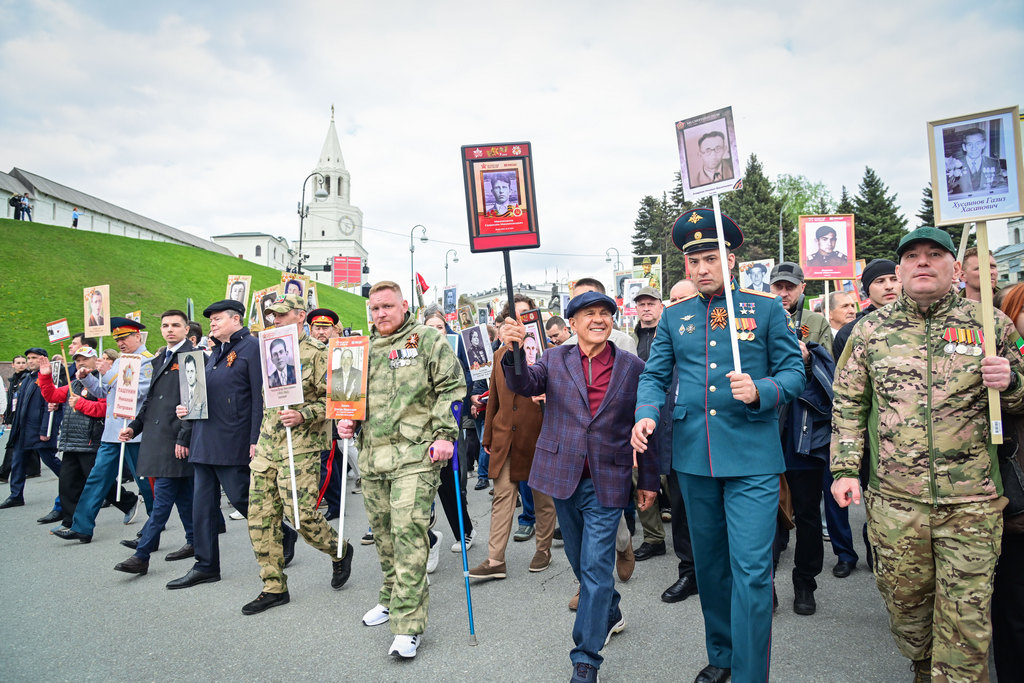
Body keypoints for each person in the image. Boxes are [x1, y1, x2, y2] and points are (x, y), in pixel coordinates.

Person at [831, 226, 1024, 681]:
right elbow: (848, 403)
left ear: (954, 268)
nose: (922, 261)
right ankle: (924, 668)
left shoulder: (991, 323)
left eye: (934, 254)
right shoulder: (870, 331)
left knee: (965, 628)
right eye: (912, 255)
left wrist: (1010, 382)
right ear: (898, 271)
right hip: (896, 504)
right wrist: (844, 469)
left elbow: (1020, 396)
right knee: (909, 615)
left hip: (972, 505)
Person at [632, 208, 805, 683]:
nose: (702, 269)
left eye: (711, 258)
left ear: (731, 259)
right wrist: (646, 413)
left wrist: (764, 390)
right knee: (710, 569)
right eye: (694, 261)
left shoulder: (765, 309)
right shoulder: (675, 317)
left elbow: (795, 372)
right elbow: (655, 375)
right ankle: (723, 656)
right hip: (693, 458)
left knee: (750, 571)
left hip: (751, 458)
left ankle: (751, 674)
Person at [501, 289, 658, 683]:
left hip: (609, 478)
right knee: (578, 560)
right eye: (588, 314)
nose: (598, 319)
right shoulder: (554, 359)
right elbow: (522, 382)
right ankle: (610, 609)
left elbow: (651, 423)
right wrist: (513, 350)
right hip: (561, 474)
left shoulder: (633, 366)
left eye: (605, 312)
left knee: (595, 566)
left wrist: (650, 479)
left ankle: (585, 659)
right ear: (572, 323)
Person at [338, 281, 465, 659]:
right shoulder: (361, 349)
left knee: (409, 533)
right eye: (375, 308)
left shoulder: (426, 339)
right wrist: (347, 422)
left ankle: (408, 626)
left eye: (388, 306)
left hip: (416, 455)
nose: (381, 314)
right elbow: (350, 397)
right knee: (384, 534)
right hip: (372, 458)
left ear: (403, 305)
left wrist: (445, 434)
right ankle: (391, 597)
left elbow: (453, 387)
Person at [167, 300, 290, 589]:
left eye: (218, 319)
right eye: (211, 320)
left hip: (233, 439)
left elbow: (261, 398)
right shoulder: (213, 353)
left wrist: (255, 439)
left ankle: (283, 533)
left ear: (236, 320)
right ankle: (206, 565)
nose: (212, 323)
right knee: (203, 507)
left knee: (242, 499)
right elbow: (202, 393)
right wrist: (187, 410)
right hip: (204, 439)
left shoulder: (252, 347)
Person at [241, 294, 352, 615]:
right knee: (260, 519)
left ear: (300, 316)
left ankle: (339, 549)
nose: (275, 320)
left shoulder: (318, 353)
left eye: (281, 314)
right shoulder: (267, 349)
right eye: (272, 315)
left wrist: (305, 414)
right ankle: (273, 586)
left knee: (301, 517)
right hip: (267, 445)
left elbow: (339, 398)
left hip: (301, 446)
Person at [470, 296, 556, 581]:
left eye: (526, 316)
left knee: (543, 499)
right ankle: (496, 560)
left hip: (539, 433)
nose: (520, 323)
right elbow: (494, 395)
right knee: (503, 495)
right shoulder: (498, 355)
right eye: (514, 318)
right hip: (506, 434)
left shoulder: (548, 352)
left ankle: (543, 549)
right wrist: (489, 433)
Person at [53, 319, 156, 542]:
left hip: (133, 431)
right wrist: (88, 378)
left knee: (143, 482)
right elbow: (104, 392)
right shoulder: (120, 363)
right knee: (96, 478)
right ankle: (82, 526)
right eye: (117, 339)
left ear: (138, 336)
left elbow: (137, 393)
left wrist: (108, 373)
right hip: (111, 431)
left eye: (125, 338)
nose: (120, 343)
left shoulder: (148, 362)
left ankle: (155, 522)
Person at [113, 310, 197, 575]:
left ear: (186, 330)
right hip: (157, 437)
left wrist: (184, 437)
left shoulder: (191, 357)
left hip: (175, 439)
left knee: (161, 500)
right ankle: (194, 541)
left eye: (175, 325)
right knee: (182, 496)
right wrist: (134, 427)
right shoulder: (161, 357)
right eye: (165, 325)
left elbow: (194, 402)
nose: (169, 329)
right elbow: (151, 400)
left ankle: (142, 555)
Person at [35, 347, 104, 532]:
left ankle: (128, 501)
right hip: (70, 441)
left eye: (85, 359)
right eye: (78, 360)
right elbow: (51, 395)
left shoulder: (102, 381)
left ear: (95, 360)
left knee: (98, 482)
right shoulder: (74, 384)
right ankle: (70, 522)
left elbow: (104, 409)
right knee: (67, 484)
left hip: (91, 441)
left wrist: (80, 404)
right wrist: (45, 376)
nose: (81, 362)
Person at [0, 348, 63, 513]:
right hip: (22, 429)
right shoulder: (27, 378)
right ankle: (16, 495)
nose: (30, 361)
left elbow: (49, 407)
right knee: (18, 462)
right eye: (28, 358)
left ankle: (75, 481)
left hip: (38, 430)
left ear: (43, 360)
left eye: (34, 358)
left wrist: (45, 431)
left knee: (51, 460)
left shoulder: (46, 379)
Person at [769, 262, 833, 354]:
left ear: (802, 288)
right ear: (770, 287)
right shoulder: (758, 318)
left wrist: (809, 359)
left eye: (790, 287)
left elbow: (828, 363)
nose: (783, 294)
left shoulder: (817, 322)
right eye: (778, 287)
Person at [951, 128, 1005, 195]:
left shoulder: (993, 163)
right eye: (970, 144)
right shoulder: (954, 165)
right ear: (964, 147)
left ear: (983, 144)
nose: (974, 148)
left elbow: (1001, 185)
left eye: (978, 143)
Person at [181, 354, 206, 419]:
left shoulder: (203, 392)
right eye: (188, 371)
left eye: (192, 371)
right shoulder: (182, 389)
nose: (190, 375)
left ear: (196, 371)